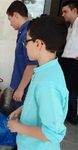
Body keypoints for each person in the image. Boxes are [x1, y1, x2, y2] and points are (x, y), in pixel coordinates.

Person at [7, 15, 68, 150]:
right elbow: (39, 102)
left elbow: (52, 133)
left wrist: (18, 127)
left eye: (26, 41)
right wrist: (22, 109)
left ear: (39, 44)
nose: (25, 45)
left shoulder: (48, 84)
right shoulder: (46, 68)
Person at [6, 1, 37, 110]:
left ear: (15, 15)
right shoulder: (24, 32)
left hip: (24, 88)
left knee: (20, 117)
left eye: (10, 19)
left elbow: (31, 65)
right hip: (22, 84)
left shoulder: (27, 34)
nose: (10, 24)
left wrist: (20, 89)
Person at [60, 0, 78, 125]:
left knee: (71, 90)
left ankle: (72, 116)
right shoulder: (71, 26)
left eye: (65, 11)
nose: (63, 14)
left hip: (74, 62)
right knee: (68, 89)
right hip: (67, 61)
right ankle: (69, 114)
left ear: (74, 10)